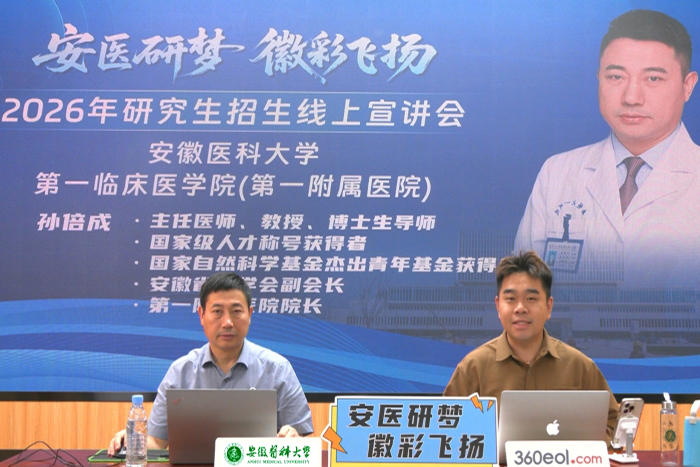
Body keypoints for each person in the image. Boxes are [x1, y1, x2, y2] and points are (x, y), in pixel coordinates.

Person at [515, 10, 700, 287]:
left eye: (653, 79)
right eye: (616, 77)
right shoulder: (557, 172)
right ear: (599, 78)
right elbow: (522, 289)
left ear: (687, 86)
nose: (631, 97)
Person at [107, 272, 313, 454]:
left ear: (250, 315)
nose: (227, 322)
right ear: (202, 315)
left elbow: (303, 441)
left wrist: (295, 438)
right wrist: (133, 440)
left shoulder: (277, 369)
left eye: (236, 311)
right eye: (217, 311)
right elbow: (156, 442)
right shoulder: (181, 372)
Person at [443, 251, 618, 442]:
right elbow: (446, 429)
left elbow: (613, 423)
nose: (520, 308)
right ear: (498, 306)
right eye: (511, 299)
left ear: (549, 306)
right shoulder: (472, 369)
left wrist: (580, 449)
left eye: (531, 299)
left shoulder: (580, 366)